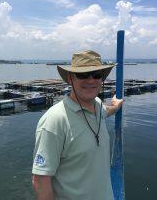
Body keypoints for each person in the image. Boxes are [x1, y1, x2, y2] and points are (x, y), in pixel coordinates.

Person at [32, 50, 124, 200]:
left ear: (102, 79)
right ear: (70, 78)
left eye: (96, 75)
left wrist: (115, 105)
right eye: (83, 75)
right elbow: (41, 180)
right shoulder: (54, 120)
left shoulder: (98, 106)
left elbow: (107, 111)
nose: (90, 80)